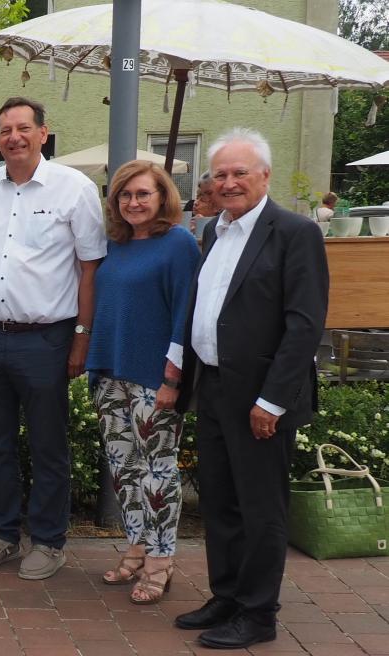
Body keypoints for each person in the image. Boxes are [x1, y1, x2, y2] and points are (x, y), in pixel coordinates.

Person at [174, 128, 328, 650]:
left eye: (240, 172)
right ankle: (229, 594)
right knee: (219, 501)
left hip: (262, 397)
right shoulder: (214, 232)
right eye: (220, 174)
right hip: (214, 387)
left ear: (265, 175)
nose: (229, 182)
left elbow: (304, 324)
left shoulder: (294, 233)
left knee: (260, 509)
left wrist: (273, 401)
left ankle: (259, 614)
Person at [0, 97, 105, 580]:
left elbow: (91, 269)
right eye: (5, 130)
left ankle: (48, 540)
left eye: (23, 128)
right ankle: (3, 534)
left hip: (47, 338)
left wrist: (82, 338)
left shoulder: (75, 189)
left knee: (48, 445)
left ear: (44, 133)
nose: (14, 137)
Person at [84, 161, 200, 604]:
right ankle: (136, 547)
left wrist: (174, 377)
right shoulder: (115, 245)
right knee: (125, 470)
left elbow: (184, 316)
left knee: (159, 473)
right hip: (109, 372)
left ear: (162, 197)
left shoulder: (178, 244)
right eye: (124, 196)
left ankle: (161, 561)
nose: (133, 202)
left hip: (155, 377)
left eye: (142, 194)